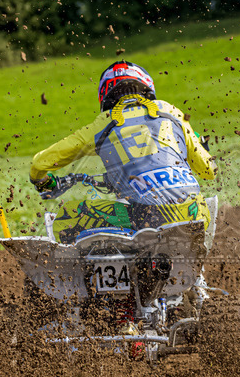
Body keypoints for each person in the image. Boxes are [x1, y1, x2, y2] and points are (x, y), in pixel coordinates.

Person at [30, 61, 217, 244]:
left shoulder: (103, 123)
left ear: (105, 95)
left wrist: (42, 181)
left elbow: (39, 163)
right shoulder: (170, 111)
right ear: (147, 86)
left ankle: (104, 270)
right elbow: (209, 171)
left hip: (146, 221)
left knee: (67, 215)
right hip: (195, 215)